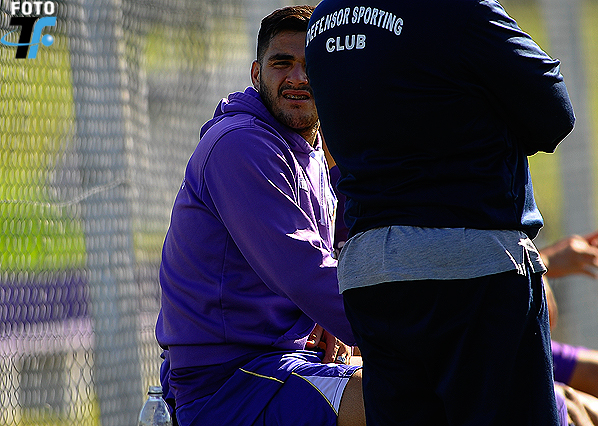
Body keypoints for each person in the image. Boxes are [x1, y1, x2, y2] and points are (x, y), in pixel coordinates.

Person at [305, 1, 576, 425]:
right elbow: (555, 114)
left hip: (369, 272)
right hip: (473, 262)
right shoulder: (458, 8)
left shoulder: (323, 22)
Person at [155, 6, 365, 426]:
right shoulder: (240, 145)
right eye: (281, 63)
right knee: (410, 395)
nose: (298, 77)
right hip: (230, 383)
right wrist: (404, 335)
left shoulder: (307, 150)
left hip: (280, 361)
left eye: (311, 65)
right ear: (256, 74)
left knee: (421, 381)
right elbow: (303, 271)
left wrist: (327, 324)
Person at [541, 229, 598, 426]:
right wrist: (544, 262)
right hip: (483, 349)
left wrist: (543, 260)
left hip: (514, 339)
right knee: (586, 413)